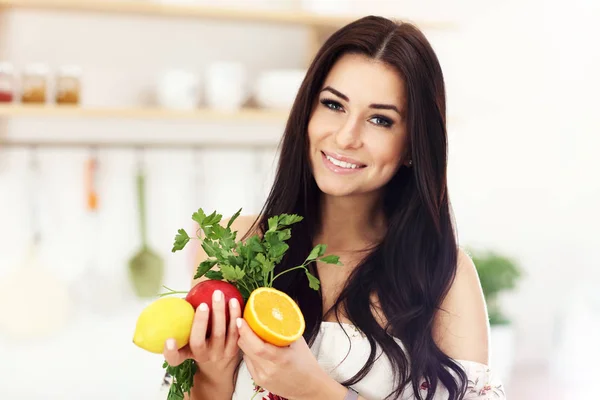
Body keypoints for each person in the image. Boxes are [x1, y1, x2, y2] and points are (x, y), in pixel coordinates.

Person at [162, 15, 505, 400]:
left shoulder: (444, 276)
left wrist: (317, 391)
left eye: (380, 119)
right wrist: (211, 373)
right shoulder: (233, 247)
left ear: (412, 145)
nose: (345, 136)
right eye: (333, 104)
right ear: (307, 111)